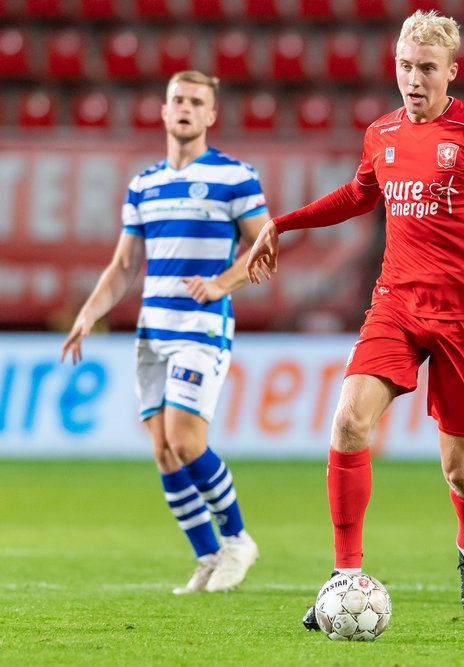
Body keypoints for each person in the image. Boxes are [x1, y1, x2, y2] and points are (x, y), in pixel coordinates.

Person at [245, 10, 464, 624]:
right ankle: (345, 575)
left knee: (460, 469)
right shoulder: (382, 135)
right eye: (405, 66)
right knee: (349, 422)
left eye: (427, 68)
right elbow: (357, 194)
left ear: (453, 71)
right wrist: (283, 223)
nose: (414, 78)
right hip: (395, 305)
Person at [60, 71, 269, 594]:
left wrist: (222, 282)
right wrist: (88, 312)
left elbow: (266, 246)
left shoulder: (235, 177)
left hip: (201, 328)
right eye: (177, 99)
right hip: (152, 330)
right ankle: (207, 555)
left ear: (211, 115)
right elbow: (124, 264)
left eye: (196, 102)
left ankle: (239, 539)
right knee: (161, 449)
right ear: (162, 109)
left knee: (184, 436)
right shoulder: (143, 184)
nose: (185, 108)